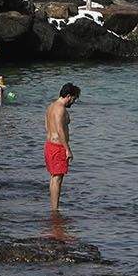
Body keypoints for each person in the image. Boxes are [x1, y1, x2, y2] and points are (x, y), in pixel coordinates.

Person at [44, 83, 78, 213]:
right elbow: (59, 129)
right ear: (68, 96)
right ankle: (55, 209)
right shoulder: (60, 109)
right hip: (57, 146)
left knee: (54, 177)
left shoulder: (50, 107)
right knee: (57, 178)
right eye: (74, 99)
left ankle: (54, 207)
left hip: (49, 145)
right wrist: (67, 149)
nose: (73, 102)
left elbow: (46, 126)